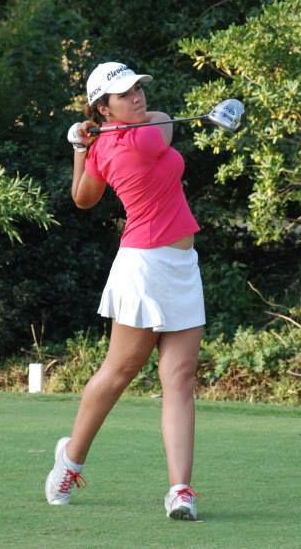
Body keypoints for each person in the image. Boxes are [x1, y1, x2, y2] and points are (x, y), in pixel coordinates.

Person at [45, 61, 204, 520]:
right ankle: (71, 459)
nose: (139, 97)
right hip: (144, 267)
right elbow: (160, 125)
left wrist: (81, 145)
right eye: (126, 94)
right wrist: (90, 138)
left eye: (139, 89)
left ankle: (180, 491)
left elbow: (82, 195)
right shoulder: (144, 136)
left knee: (179, 379)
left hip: (181, 264)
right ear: (104, 107)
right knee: (119, 373)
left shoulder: (109, 142)